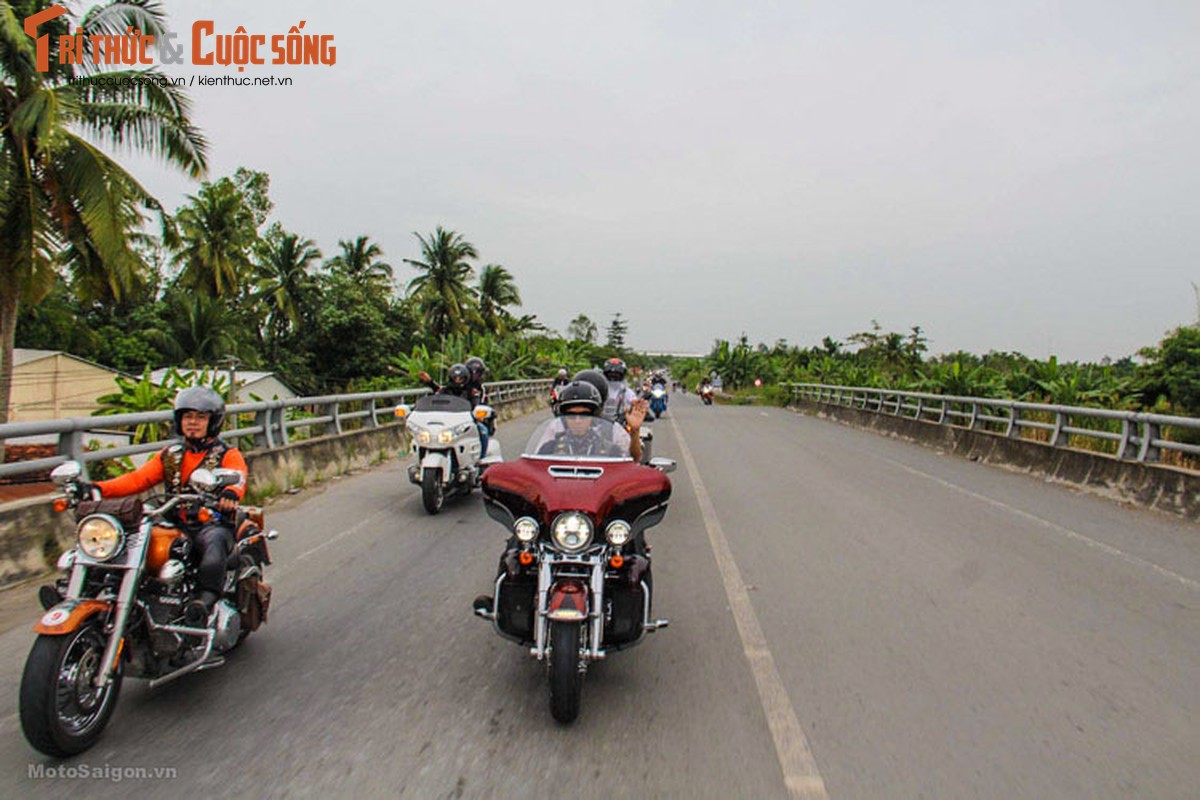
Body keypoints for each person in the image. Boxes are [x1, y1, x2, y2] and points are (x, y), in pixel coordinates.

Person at [87, 386, 247, 624]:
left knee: (213, 546)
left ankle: (203, 601)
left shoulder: (226, 453)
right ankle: (93, 590)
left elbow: (239, 476)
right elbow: (137, 479)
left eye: (200, 417)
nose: (192, 423)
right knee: (123, 540)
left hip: (210, 523)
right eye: (187, 416)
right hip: (172, 521)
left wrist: (230, 493)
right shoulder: (170, 454)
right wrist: (98, 488)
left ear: (213, 422)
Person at [534, 380, 647, 461]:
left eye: (584, 415)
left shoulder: (610, 449)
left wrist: (635, 430)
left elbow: (632, 461)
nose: (577, 421)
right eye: (571, 416)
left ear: (594, 417)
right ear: (564, 418)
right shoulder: (550, 447)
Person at [418, 364, 490, 456]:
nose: (458, 380)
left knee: (483, 430)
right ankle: (421, 460)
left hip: (466, 422)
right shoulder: (445, 391)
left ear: (466, 378)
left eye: (460, 378)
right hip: (447, 421)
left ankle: (481, 458)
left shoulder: (472, 392)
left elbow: (476, 404)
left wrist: (477, 415)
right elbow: (435, 397)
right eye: (455, 378)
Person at [600, 357, 638, 424]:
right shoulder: (600, 388)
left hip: (620, 423)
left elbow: (634, 400)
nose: (613, 375)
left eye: (616, 374)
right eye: (610, 373)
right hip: (600, 422)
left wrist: (636, 403)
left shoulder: (625, 391)